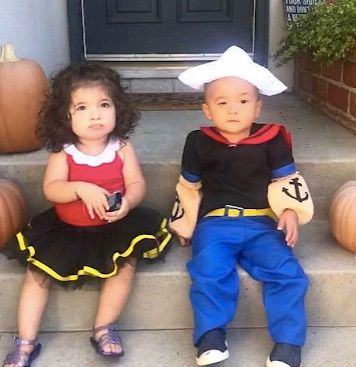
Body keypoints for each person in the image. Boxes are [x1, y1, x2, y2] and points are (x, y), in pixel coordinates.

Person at [2, 61, 171, 367]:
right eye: (82, 107)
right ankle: (25, 341)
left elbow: (136, 183)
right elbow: (52, 190)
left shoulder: (121, 147)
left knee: (125, 267)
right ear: (64, 116)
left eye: (104, 104)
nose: (95, 114)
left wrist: (129, 203)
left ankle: (104, 328)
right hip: (66, 230)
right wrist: (79, 187)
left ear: (117, 109)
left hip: (113, 228)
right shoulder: (64, 151)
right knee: (37, 274)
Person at [169, 46, 314, 367]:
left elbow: (285, 181)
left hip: (263, 224)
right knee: (208, 269)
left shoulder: (272, 139)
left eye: (243, 101)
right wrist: (184, 224)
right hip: (216, 224)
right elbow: (189, 187)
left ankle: (288, 342)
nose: (233, 109)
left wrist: (290, 210)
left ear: (258, 106)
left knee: (288, 273)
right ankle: (210, 335)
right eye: (222, 102)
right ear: (207, 109)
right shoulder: (198, 141)